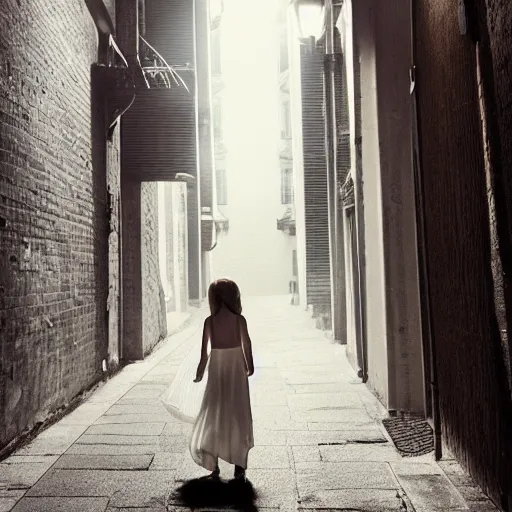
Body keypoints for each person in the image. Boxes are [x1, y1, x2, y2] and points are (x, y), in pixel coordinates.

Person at [190, 279, 255, 481]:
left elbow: (204, 353)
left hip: (217, 367)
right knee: (238, 411)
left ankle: (214, 465)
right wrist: (249, 365)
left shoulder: (210, 322)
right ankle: (239, 467)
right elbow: (247, 344)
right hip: (236, 366)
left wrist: (200, 373)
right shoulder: (239, 320)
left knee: (215, 410)